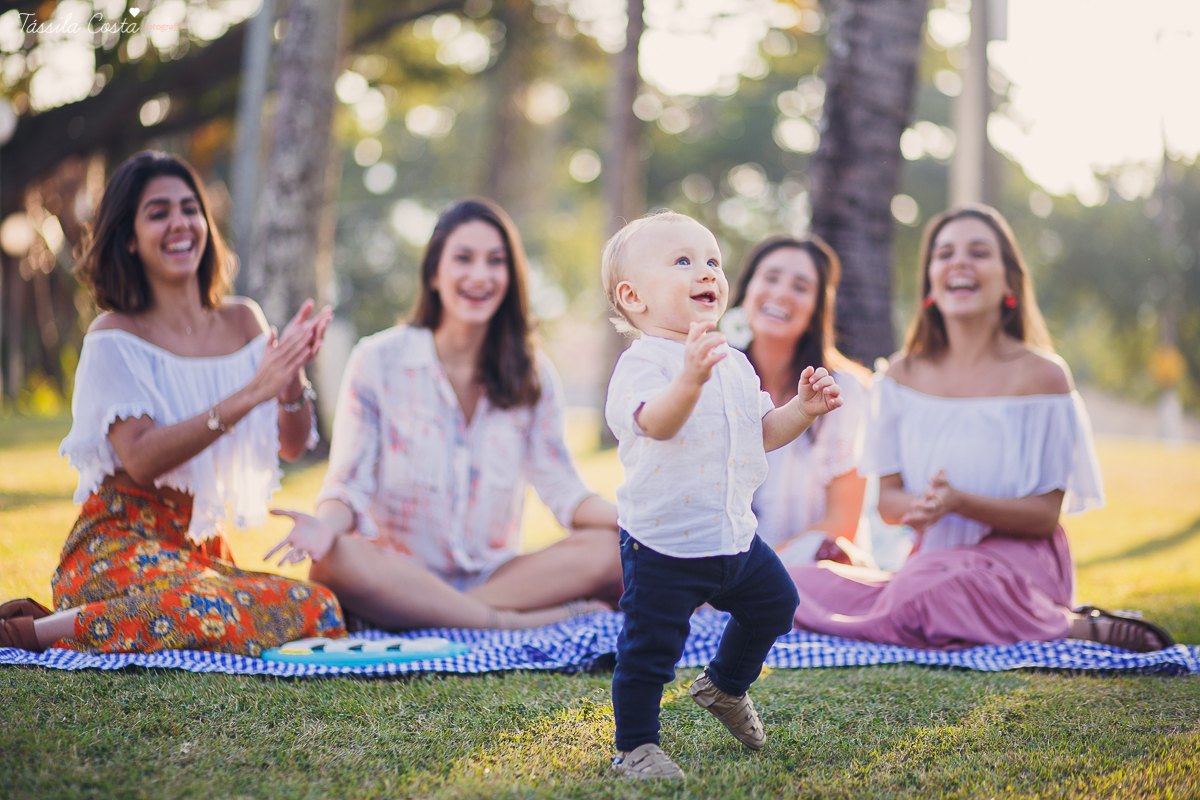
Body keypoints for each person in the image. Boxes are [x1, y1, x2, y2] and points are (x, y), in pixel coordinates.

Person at [0, 151, 345, 656]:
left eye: (189, 208)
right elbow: (140, 459)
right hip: (116, 541)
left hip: (198, 551)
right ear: (129, 239)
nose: (180, 223)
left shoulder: (243, 321)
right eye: (158, 212)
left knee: (320, 607)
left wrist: (289, 381)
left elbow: (291, 447)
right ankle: (28, 634)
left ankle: (81, 623)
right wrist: (249, 393)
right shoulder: (113, 337)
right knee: (209, 610)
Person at [789, 205, 1174, 652]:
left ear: (1009, 280)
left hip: (1019, 568)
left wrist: (961, 502)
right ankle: (1018, 622)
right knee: (795, 583)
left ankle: (1077, 628)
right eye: (945, 253)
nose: (959, 262)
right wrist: (930, 504)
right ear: (931, 279)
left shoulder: (1044, 377)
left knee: (929, 591)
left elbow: (1045, 515)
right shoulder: (898, 377)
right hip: (929, 568)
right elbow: (890, 504)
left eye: (978, 252)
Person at [267, 199, 620, 631]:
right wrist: (323, 528)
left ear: (511, 278)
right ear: (434, 273)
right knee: (335, 559)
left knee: (613, 549)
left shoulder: (534, 374)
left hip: (498, 577)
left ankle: (439, 613)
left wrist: (637, 523)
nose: (480, 275)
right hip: (396, 570)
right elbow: (348, 482)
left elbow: (565, 490)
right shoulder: (379, 359)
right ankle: (505, 624)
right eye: (463, 258)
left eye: (496, 261)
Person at [600, 210, 842, 780]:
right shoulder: (643, 365)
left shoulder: (733, 363)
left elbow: (762, 432)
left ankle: (725, 686)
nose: (706, 270)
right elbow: (655, 423)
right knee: (649, 651)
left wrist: (801, 410)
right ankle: (634, 746)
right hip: (663, 546)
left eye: (712, 260)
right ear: (633, 297)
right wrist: (687, 381)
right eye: (682, 261)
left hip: (733, 536)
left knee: (777, 605)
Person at [728, 235, 870, 566]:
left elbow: (841, 524)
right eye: (771, 278)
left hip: (806, 570)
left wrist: (748, 575)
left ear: (817, 308)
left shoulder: (842, 391)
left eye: (801, 286)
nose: (781, 294)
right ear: (747, 290)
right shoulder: (709, 377)